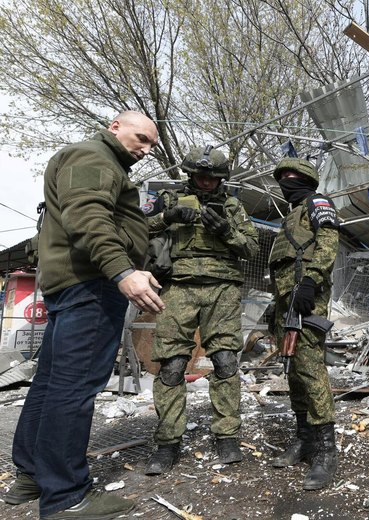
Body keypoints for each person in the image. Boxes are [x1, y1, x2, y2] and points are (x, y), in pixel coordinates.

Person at [3, 111, 165, 519]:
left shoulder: (95, 161)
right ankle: (66, 497)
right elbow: (87, 217)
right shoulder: (95, 157)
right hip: (91, 284)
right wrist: (123, 270)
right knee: (74, 389)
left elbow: (99, 215)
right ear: (115, 126)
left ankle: (31, 477)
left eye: (151, 145)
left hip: (72, 282)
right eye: (141, 138)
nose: (144, 150)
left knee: (51, 383)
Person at [144, 145, 258, 475]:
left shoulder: (233, 206)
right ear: (190, 174)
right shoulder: (168, 199)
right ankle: (167, 443)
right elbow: (136, 230)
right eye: (200, 176)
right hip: (178, 285)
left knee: (224, 361)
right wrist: (167, 217)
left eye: (213, 178)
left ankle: (227, 436)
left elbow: (251, 247)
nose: (206, 182)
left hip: (223, 287)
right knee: (172, 365)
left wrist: (226, 231)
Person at [268, 157, 340, 490]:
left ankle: (326, 451)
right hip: (286, 300)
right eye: (282, 178)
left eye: (292, 177)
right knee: (294, 372)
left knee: (310, 369)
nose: (286, 182)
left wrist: (311, 280)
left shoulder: (317, 202)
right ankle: (304, 439)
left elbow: (328, 243)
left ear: (308, 180)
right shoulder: (290, 216)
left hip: (307, 297)